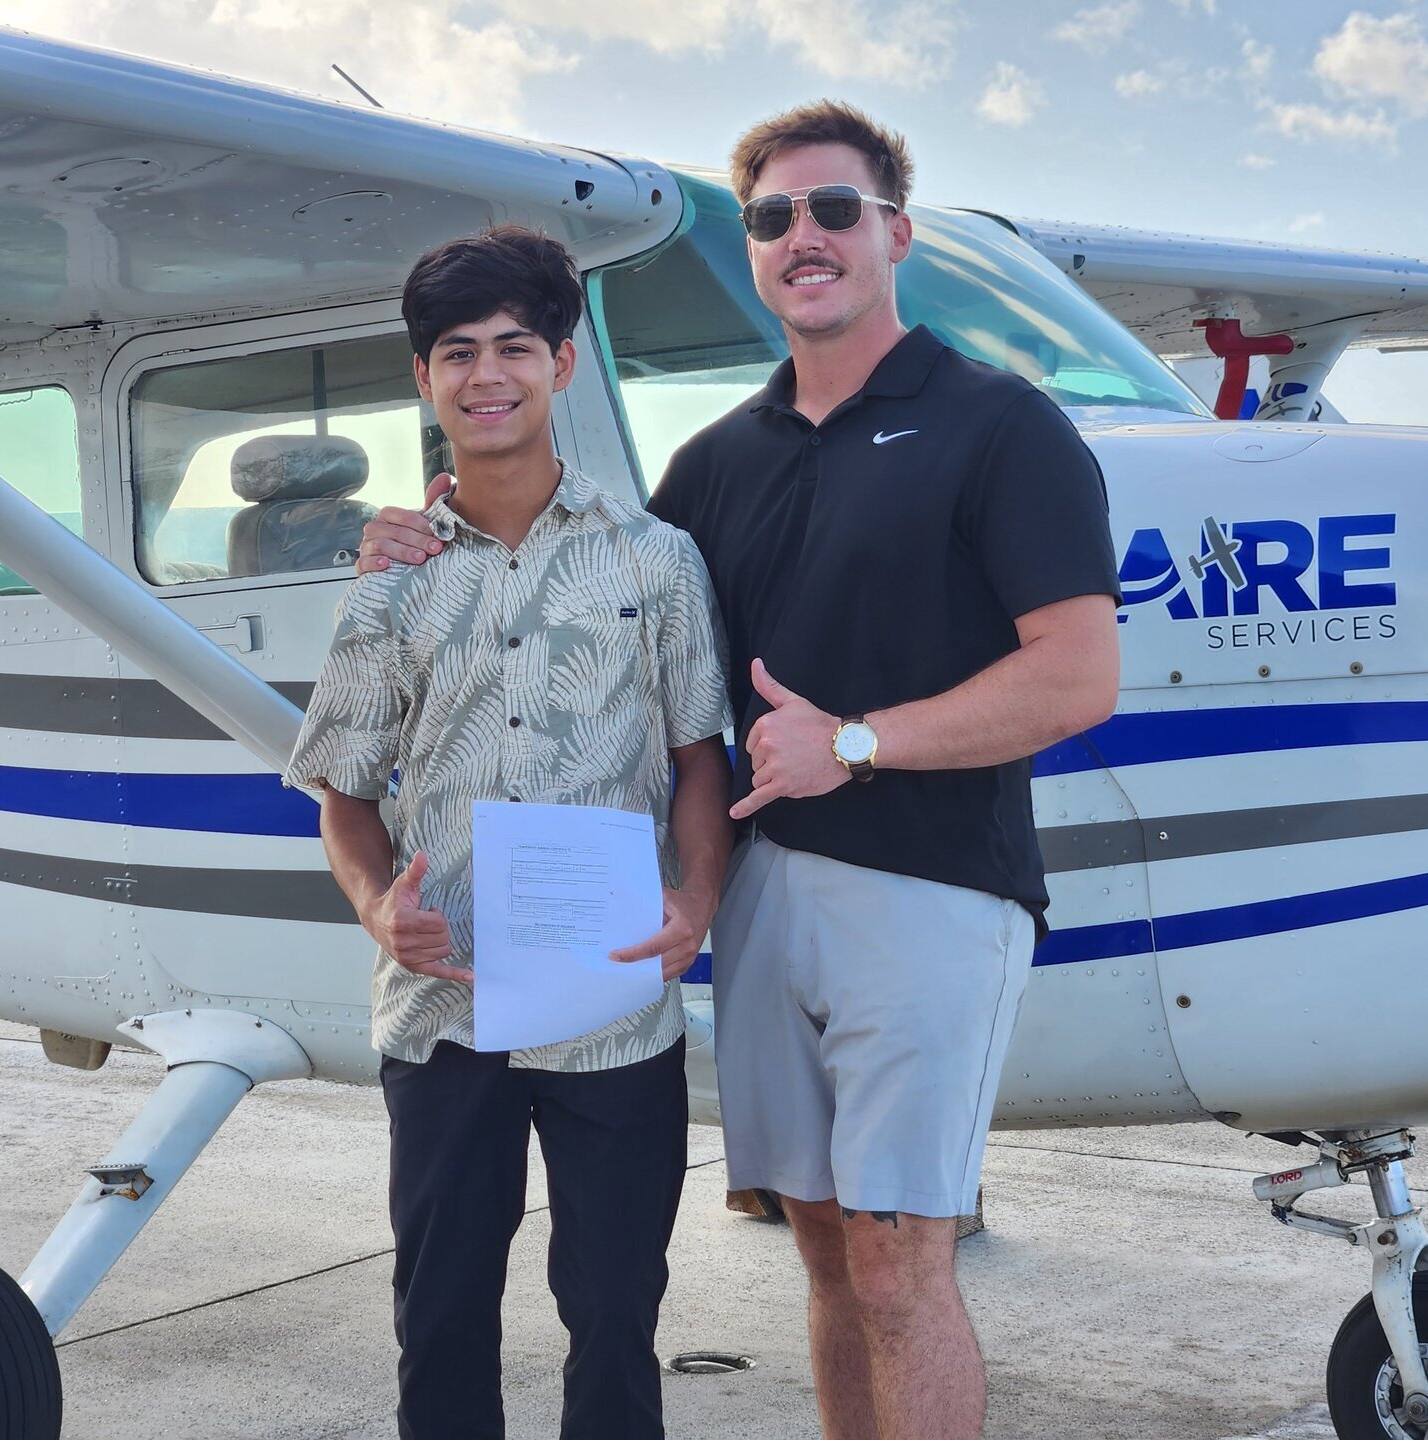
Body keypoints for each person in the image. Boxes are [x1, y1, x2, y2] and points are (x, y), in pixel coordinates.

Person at [357, 105, 1121, 1440]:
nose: (803, 237)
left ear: (895, 231)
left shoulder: (1003, 426)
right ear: (754, 250)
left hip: (931, 888)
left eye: (836, 211)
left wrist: (861, 743)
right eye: (772, 218)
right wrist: (415, 537)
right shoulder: (714, 467)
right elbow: (635, 674)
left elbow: (1078, 676)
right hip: (763, 907)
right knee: (825, 1250)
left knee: (899, 1256)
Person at [287, 225, 733, 1440]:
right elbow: (343, 796)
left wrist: (692, 904)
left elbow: (702, 761)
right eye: (457, 353)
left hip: (612, 1009)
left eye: (514, 347)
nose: (488, 374)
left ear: (563, 364)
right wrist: (381, 909)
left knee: (614, 1312)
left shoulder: (658, 560)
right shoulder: (389, 583)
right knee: (439, 1320)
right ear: (424, 381)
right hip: (444, 1019)